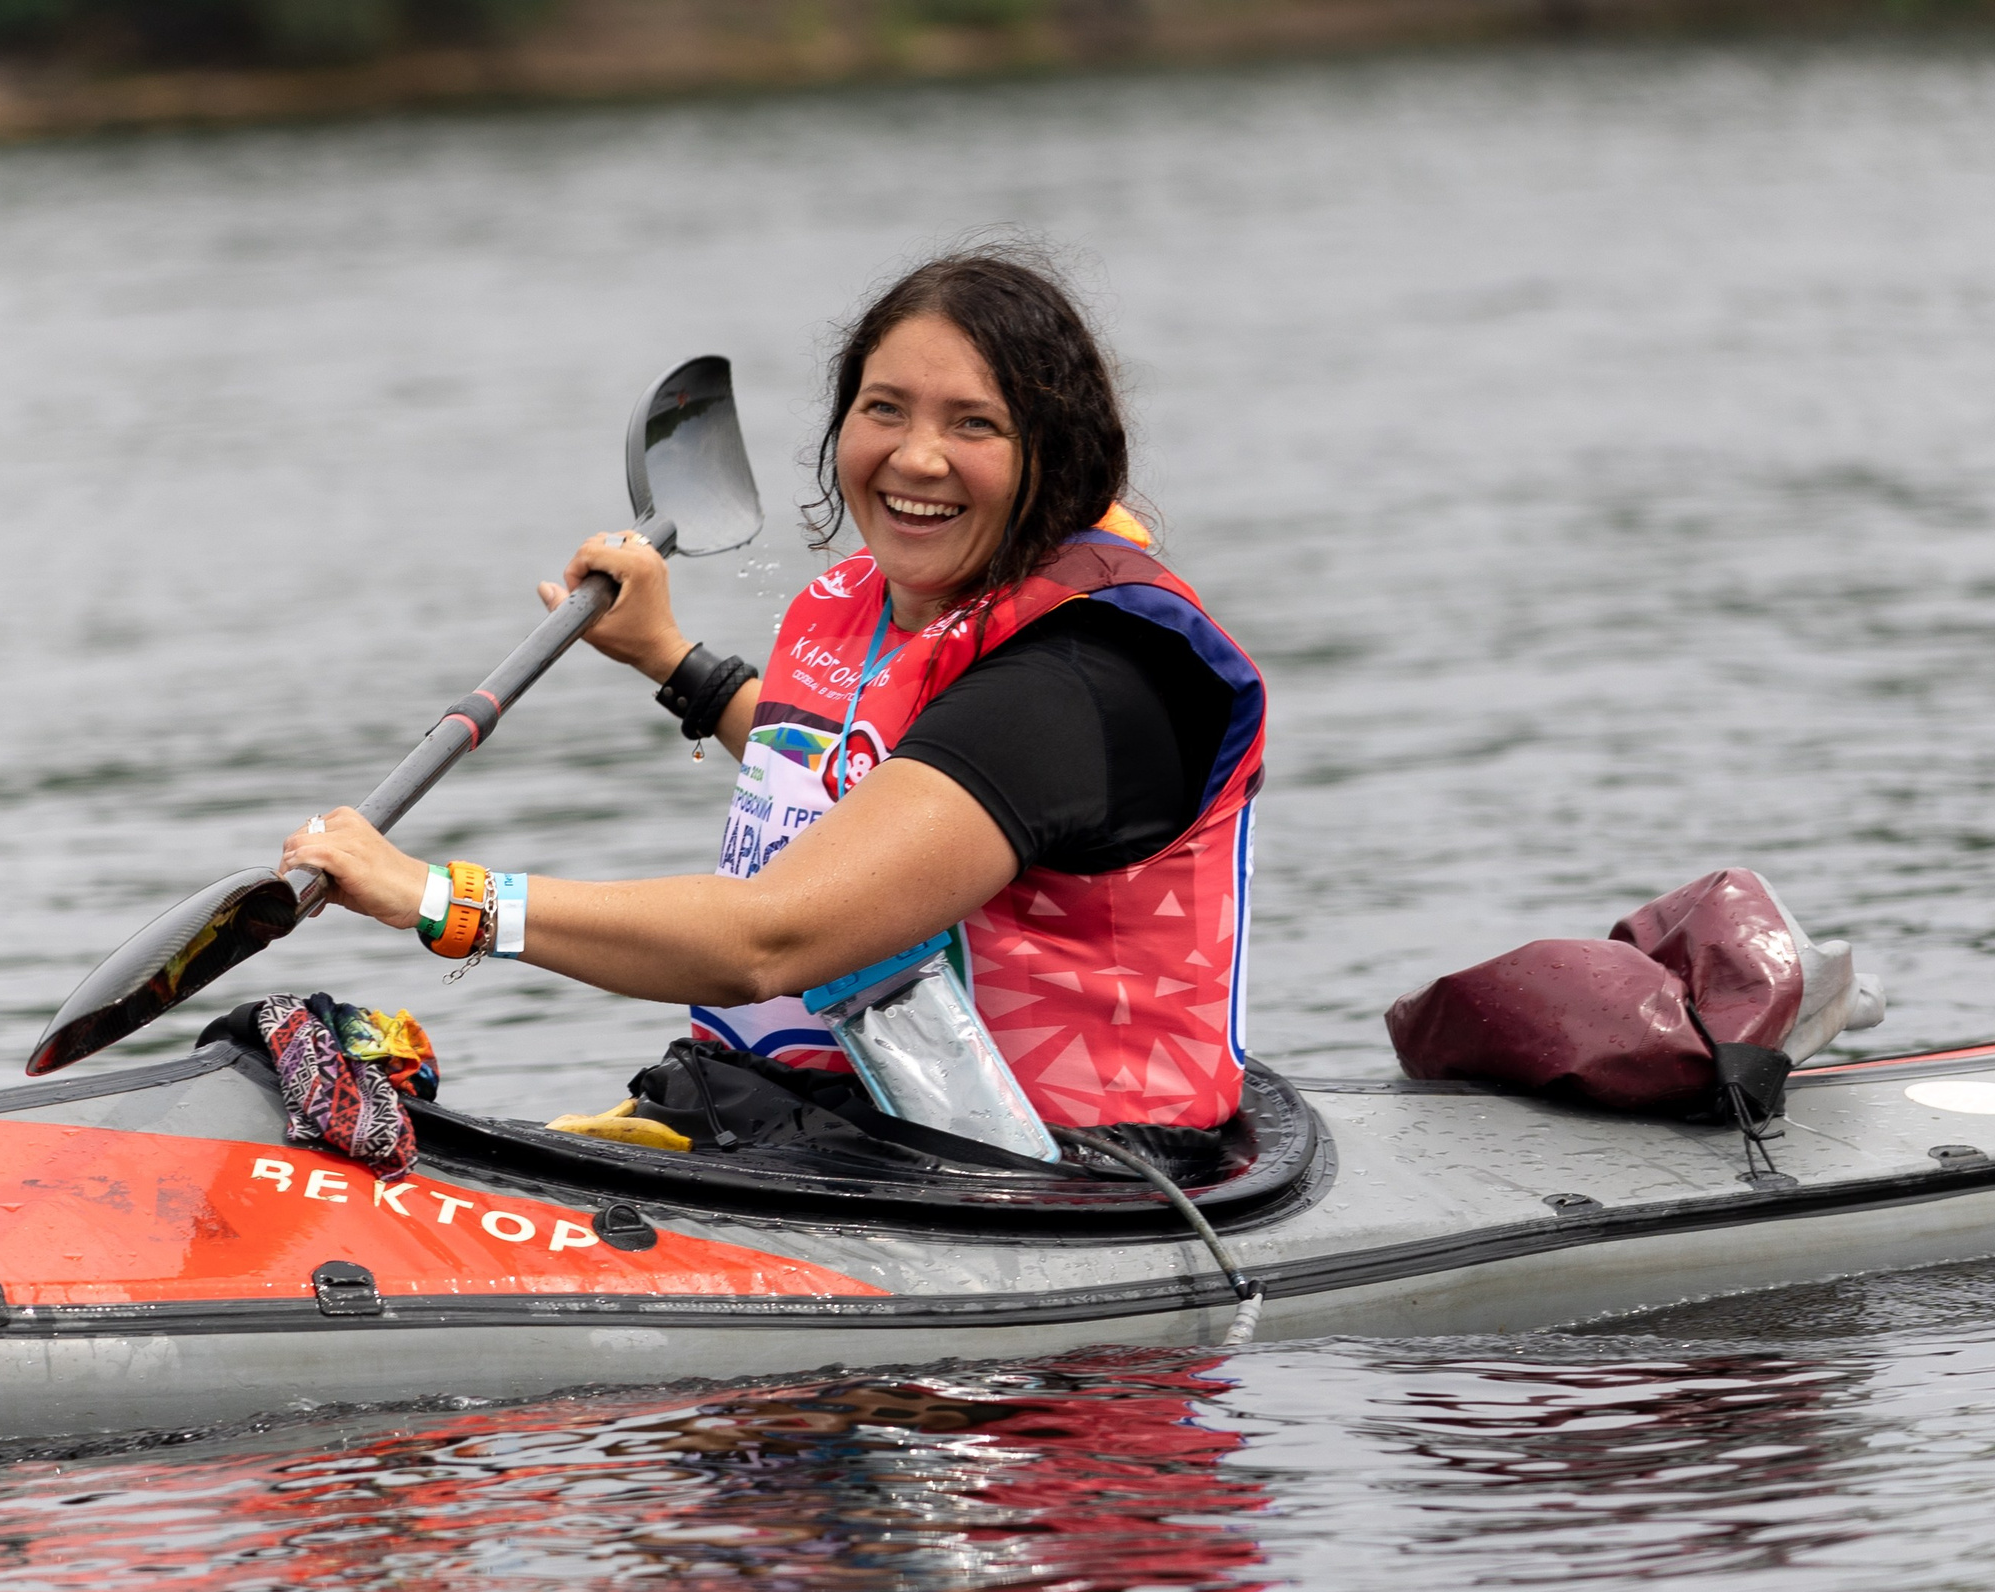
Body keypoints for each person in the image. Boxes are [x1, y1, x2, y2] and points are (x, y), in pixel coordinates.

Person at [280, 247, 1266, 1132]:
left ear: (1059, 455)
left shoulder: (1078, 679)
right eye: (884, 409)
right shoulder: (883, 604)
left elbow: (769, 940)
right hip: (836, 1119)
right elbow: (865, 772)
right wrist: (673, 662)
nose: (914, 457)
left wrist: (435, 895)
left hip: (1064, 1175)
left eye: (975, 424)